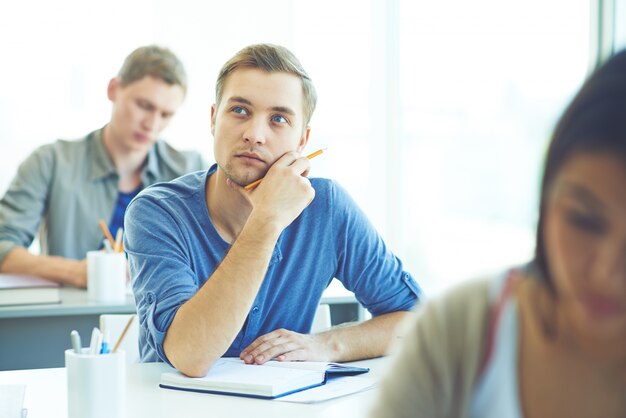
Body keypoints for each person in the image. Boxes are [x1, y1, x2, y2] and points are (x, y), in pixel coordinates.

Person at [124, 43, 422, 377]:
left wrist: (326, 344)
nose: (254, 134)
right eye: (239, 111)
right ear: (213, 119)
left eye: (278, 119)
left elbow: (417, 320)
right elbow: (190, 355)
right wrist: (266, 219)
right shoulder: (156, 212)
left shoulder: (327, 208)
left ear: (302, 141)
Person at [369, 50, 626, 418]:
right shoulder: (462, 331)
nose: (606, 272)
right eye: (583, 220)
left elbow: (399, 306)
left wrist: (330, 345)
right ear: (546, 198)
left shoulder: (329, 205)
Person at [0, 45, 206, 288]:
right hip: (71, 318)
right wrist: (75, 271)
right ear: (113, 89)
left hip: (161, 320)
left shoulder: (191, 170)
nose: (152, 124)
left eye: (166, 114)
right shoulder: (51, 162)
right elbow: (4, 245)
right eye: (144, 106)